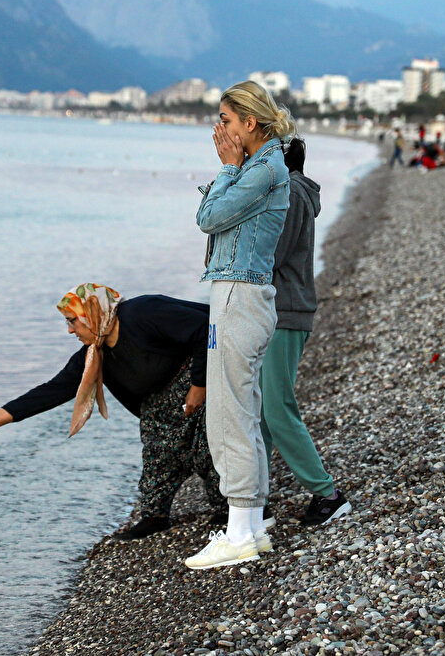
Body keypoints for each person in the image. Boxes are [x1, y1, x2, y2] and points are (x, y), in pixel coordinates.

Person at [0, 285, 227, 540]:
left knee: (208, 449)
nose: (70, 331)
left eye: (72, 321)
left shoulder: (142, 312)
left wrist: (199, 385)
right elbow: (53, 389)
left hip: (211, 376)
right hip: (160, 409)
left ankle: (230, 510)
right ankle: (154, 518)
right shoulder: (95, 354)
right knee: (159, 459)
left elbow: (206, 328)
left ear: (92, 312)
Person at [187, 80, 293, 570]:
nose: (220, 129)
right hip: (244, 295)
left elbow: (208, 218)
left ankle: (238, 534)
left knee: (228, 414)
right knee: (243, 411)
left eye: (226, 120)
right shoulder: (266, 166)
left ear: (250, 122)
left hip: (238, 296)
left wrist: (227, 168)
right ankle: (250, 528)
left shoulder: (261, 170)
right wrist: (234, 167)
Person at [260, 138, 351, 527]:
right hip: (276, 310)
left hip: (287, 312)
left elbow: (272, 254)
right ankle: (255, 501)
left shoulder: (292, 192)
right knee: (261, 413)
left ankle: (328, 494)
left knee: (278, 408)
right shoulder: (289, 189)